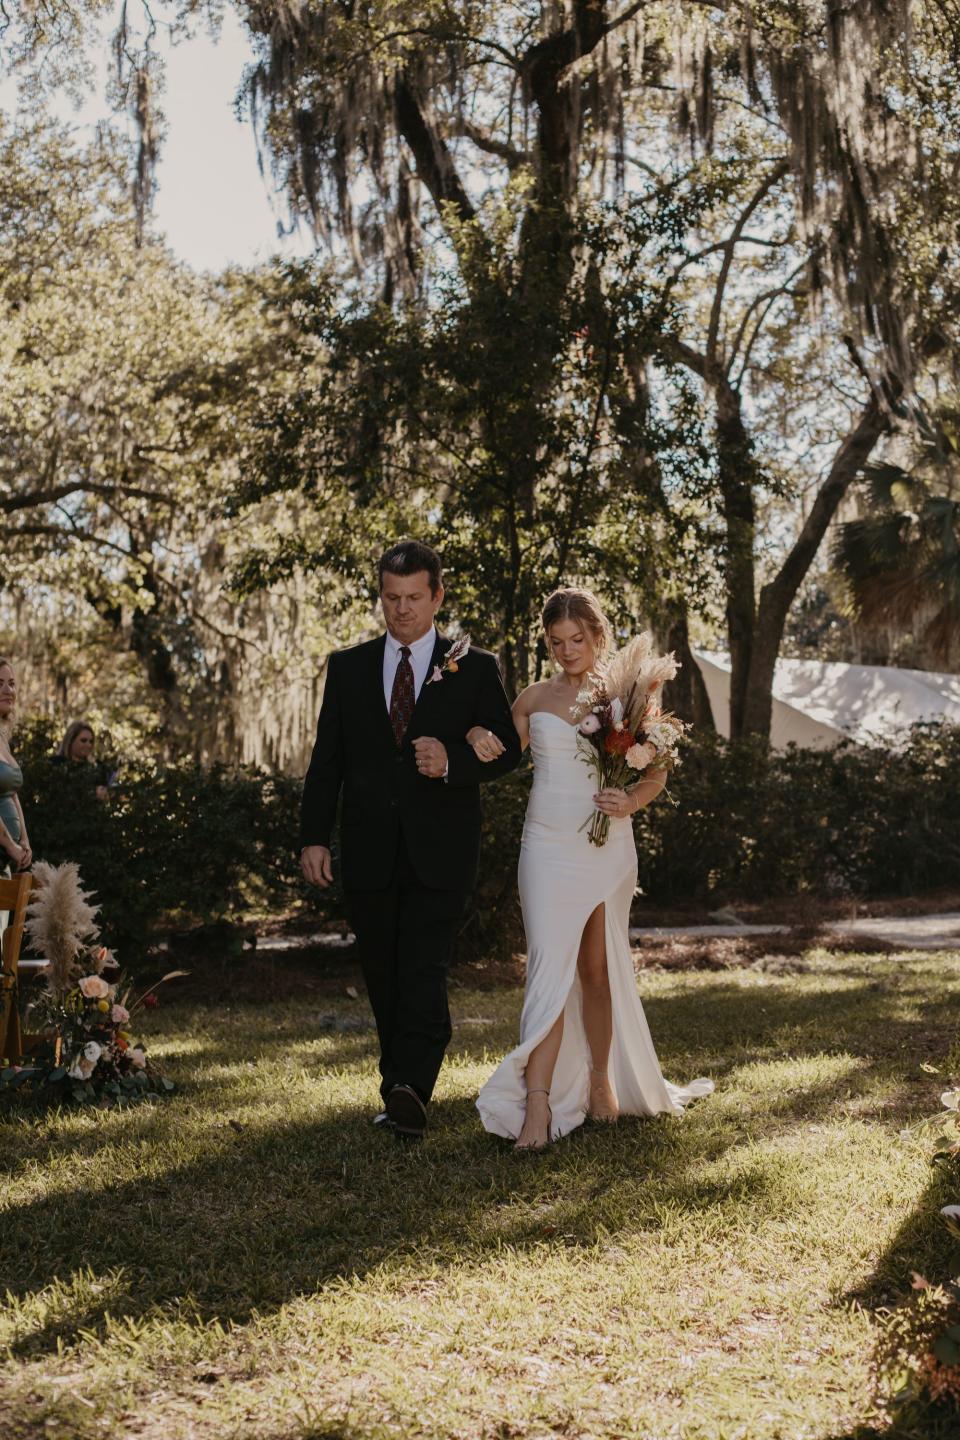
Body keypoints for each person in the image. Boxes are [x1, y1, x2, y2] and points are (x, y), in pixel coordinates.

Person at [474, 589, 713, 1150]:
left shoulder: (625, 697)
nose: (566, 651)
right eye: (556, 642)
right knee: (546, 969)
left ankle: (603, 1081)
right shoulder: (533, 697)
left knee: (595, 968)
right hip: (545, 847)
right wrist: (471, 734)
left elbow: (656, 772)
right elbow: (500, 752)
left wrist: (630, 803)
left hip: (606, 847)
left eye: (576, 640)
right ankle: (537, 1107)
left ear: (596, 636)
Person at [299, 540, 522, 1138]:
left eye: (414, 598)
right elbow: (328, 760)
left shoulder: (474, 666)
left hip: (442, 849)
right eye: (392, 598)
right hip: (369, 848)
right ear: (381, 596)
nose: (402, 610)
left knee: (424, 965)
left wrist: (451, 759)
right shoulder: (348, 667)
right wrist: (313, 837)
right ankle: (395, 1085)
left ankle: (411, 1087)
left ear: (437, 596)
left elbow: (509, 751)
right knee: (383, 971)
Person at [0, 657, 31, 899]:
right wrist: (10, 845)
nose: (8, 690)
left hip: (6, 859)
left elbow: (12, 794)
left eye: (11, 683)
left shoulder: (3, 739)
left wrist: (24, 840)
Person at [53, 721, 111, 801]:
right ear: (71, 741)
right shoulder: (55, 764)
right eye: (83, 740)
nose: (88, 745)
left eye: (91, 741)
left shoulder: (98, 767)